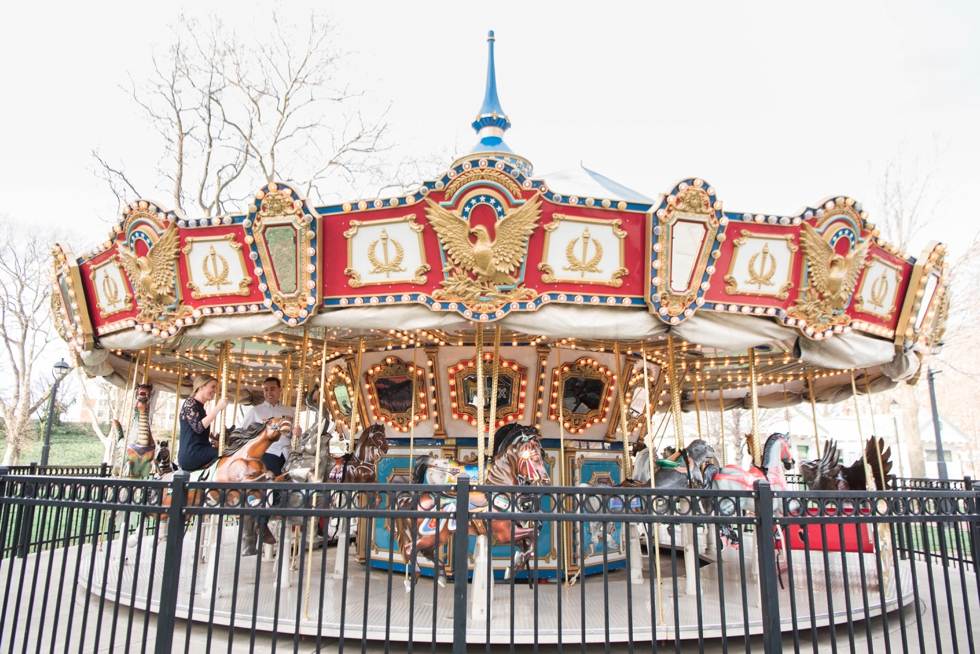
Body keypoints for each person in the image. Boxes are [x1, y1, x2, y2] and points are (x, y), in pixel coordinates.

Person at [240, 377, 300, 476]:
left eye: (272, 389)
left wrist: (296, 434)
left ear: (280, 390)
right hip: (266, 453)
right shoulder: (255, 411)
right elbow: (243, 432)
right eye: (266, 390)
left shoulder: (289, 411)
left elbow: (292, 436)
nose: (269, 393)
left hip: (286, 454)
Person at [177, 375, 228, 472]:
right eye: (213, 387)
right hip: (191, 452)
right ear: (201, 387)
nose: (215, 391)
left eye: (216, 388)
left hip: (199, 450)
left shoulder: (201, 408)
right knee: (226, 454)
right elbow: (198, 427)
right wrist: (218, 408)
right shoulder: (190, 403)